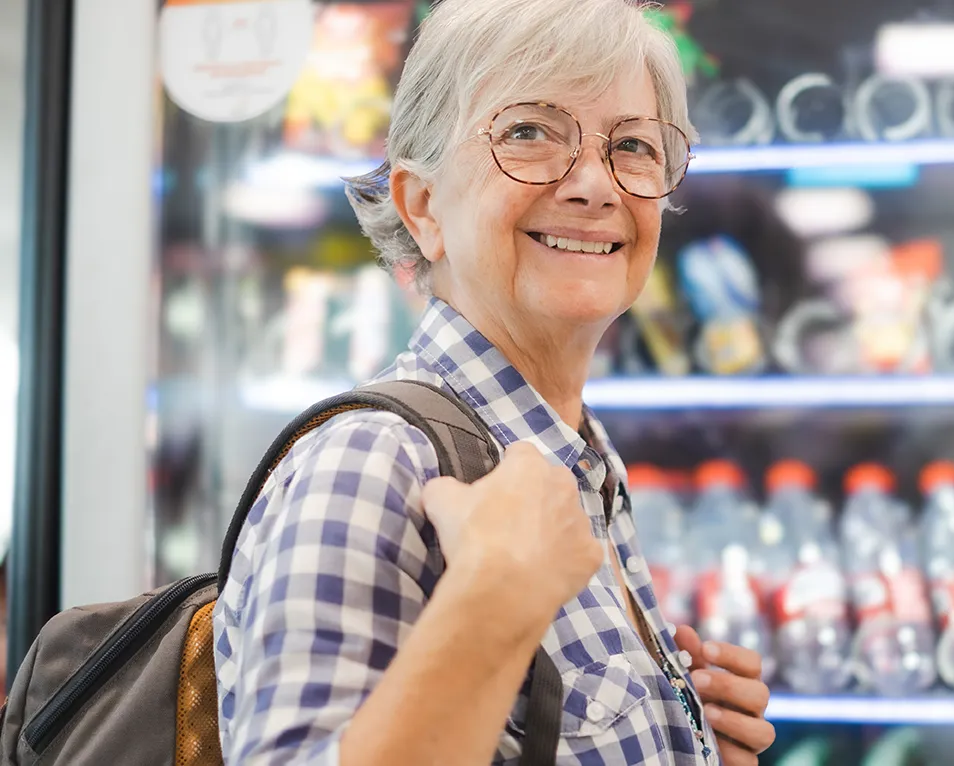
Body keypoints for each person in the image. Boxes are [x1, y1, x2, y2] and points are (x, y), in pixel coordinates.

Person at [213, 0, 776, 763]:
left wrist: (680, 739)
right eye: (529, 133)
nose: (594, 186)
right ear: (422, 207)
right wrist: (494, 599)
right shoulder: (370, 464)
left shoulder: (575, 454)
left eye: (633, 145)